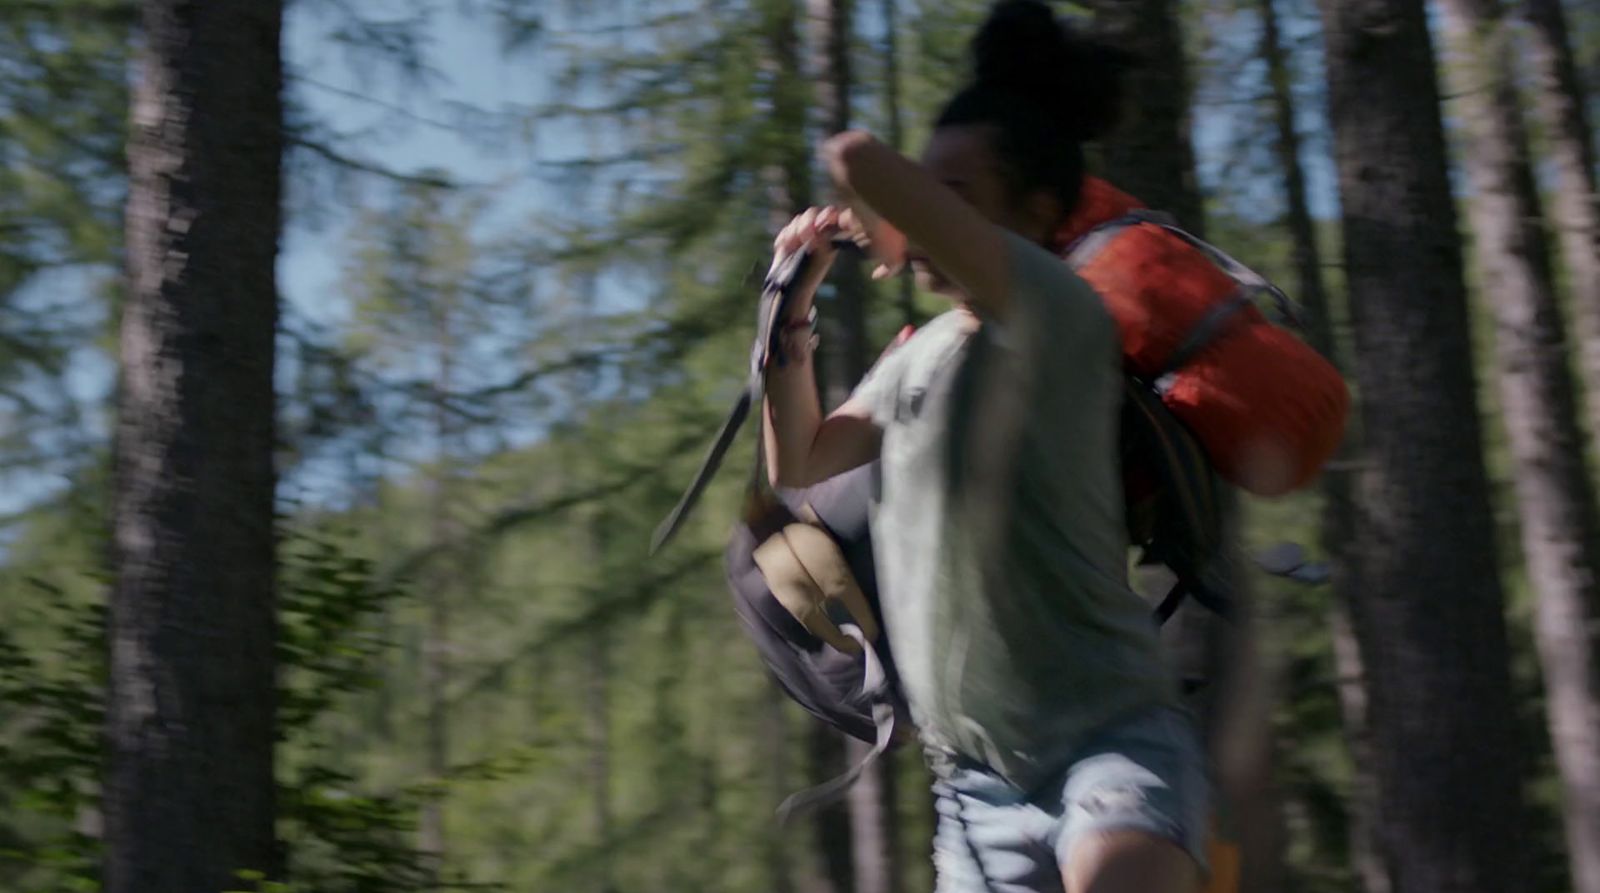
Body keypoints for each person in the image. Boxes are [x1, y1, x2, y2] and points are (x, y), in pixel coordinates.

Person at [759, 2, 1208, 891]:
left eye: (951, 196)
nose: (921, 212)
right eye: (926, 191)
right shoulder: (917, 358)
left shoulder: (1059, 315)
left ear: (1036, 214)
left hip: (1110, 748)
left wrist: (880, 206)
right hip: (972, 794)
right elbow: (798, 461)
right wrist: (790, 303)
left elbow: (853, 158)